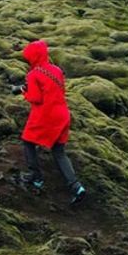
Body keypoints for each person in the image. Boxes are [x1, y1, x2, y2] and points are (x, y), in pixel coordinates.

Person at [18, 39, 86, 203]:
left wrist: (23, 92)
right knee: (59, 152)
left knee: (28, 142)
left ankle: (36, 177)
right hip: (62, 115)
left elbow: (36, 98)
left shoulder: (33, 74)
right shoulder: (56, 70)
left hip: (46, 116)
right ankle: (76, 186)